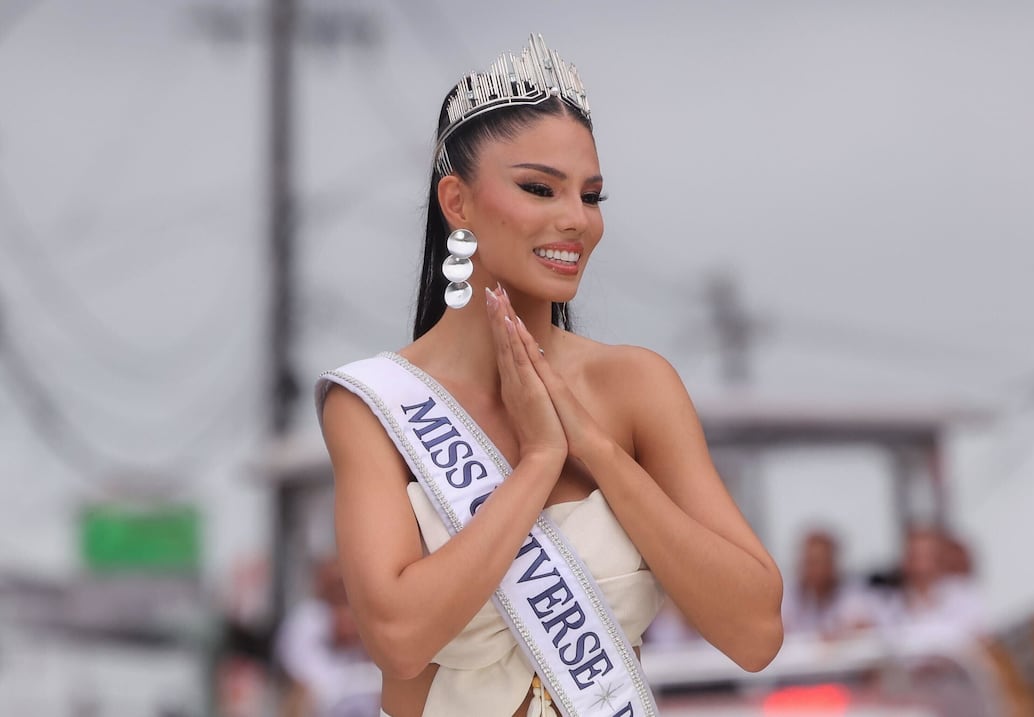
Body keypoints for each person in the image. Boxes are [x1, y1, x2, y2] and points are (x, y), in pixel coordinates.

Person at [315, 34, 783, 717]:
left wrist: (598, 450)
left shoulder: (636, 386)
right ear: (459, 202)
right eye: (539, 188)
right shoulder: (377, 407)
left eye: (590, 195)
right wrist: (539, 462)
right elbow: (399, 637)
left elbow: (757, 629)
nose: (575, 220)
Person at [275, 556, 381, 717]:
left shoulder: (373, 618)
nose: (342, 589)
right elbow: (305, 686)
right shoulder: (308, 618)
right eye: (337, 583)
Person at [782, 529, 876, 639]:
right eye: (808, 562)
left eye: (818, 562)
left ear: (832, 563)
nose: (812, 569)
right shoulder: (787, 596)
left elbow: (865, 628)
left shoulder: (853, 596)